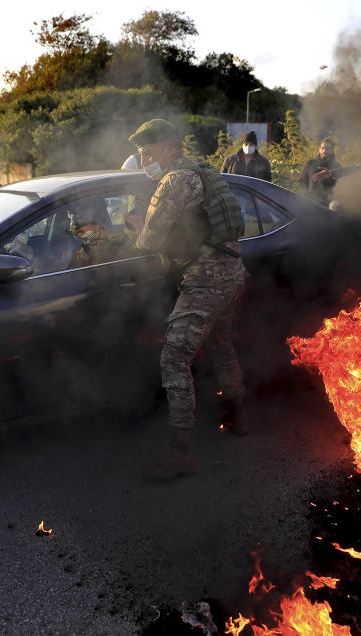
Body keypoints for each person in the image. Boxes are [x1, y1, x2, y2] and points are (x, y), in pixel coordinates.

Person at [126, 119, 249, 479]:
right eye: (140, 154)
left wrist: (136, 226)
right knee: (222, 345)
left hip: (206, 280)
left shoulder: (173, 181)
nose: (145, 159)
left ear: (169, 147)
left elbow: (149, 241)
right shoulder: (205, 172)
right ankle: (238, 416)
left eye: (148, 152)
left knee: (174, 357)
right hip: (233, 273)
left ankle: (181, 454)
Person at [297, 137, 344, 206]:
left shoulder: (337, 167)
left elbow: (339, 187)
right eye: (322, 148)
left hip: (327, 206)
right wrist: (305, 196)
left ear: (332, 150)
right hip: (310, 204)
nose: (324, 151)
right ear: (319, 150)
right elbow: (302, 182)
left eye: (327, 148)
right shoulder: (310, 164)